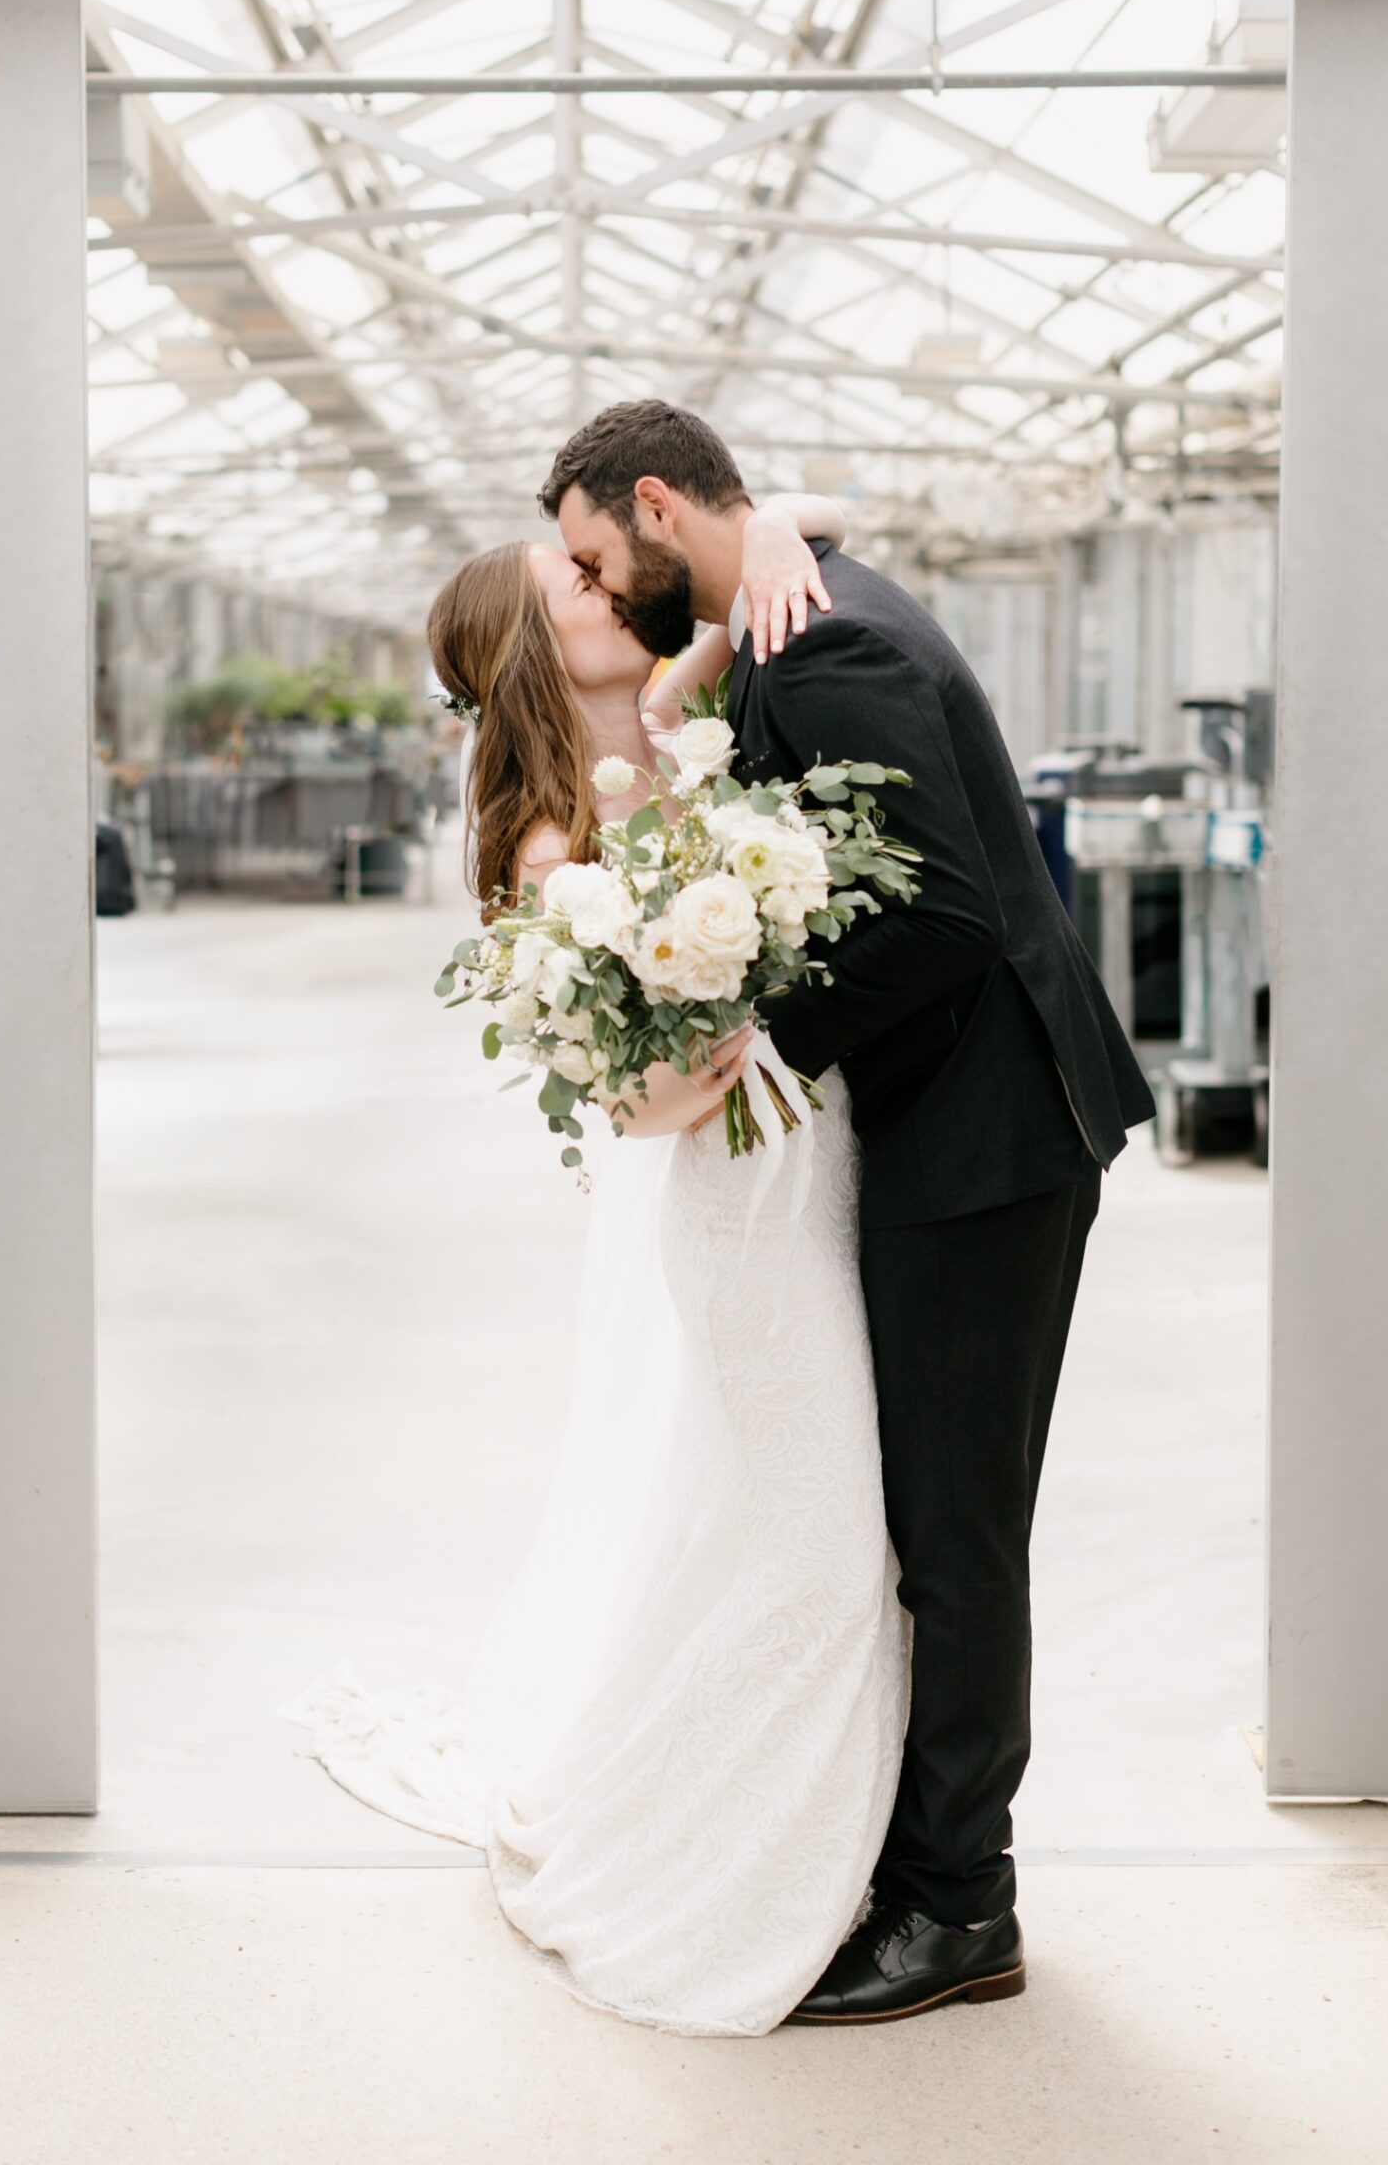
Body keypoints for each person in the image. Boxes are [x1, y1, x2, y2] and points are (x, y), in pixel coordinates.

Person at [541, 399, 1156, 2025]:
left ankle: (962, 1907)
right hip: (960, 1130)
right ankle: (920, 1864)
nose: (603, 593)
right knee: (928, 1521)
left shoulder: (824, 648)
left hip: (992, 1141)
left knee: (957, 1535)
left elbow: (945, 911)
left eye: (605, 559)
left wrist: (760, 1045)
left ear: (660, 507)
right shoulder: (789, 612)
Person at [280, 490, 916, 2037]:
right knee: (817, 1526)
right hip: (731, 1187)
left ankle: (830, 1830)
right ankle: (745, 1867)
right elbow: (620, 1086)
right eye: (566, 578)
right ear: (530, 645)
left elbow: (776, 529)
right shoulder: (558, 831)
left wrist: (767, 540)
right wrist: (696, 1058)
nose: (598, 577)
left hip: (814, 1168)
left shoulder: (683, 705)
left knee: (783, 1509)